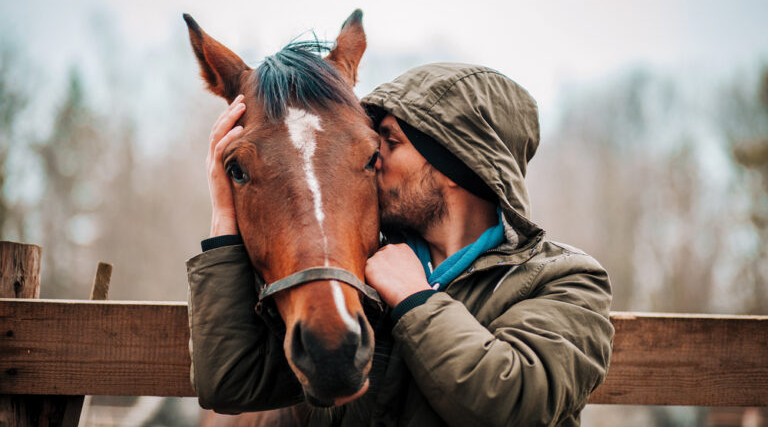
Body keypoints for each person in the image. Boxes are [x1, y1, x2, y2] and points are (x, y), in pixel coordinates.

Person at [186, 62, 614, 426]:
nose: (374, 159)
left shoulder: (567, 281)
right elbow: (231, 381)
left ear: (456, 166)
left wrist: (414, 299)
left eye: (390, 143)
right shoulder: (355, 280)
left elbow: (515, 402)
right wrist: (225, 218)